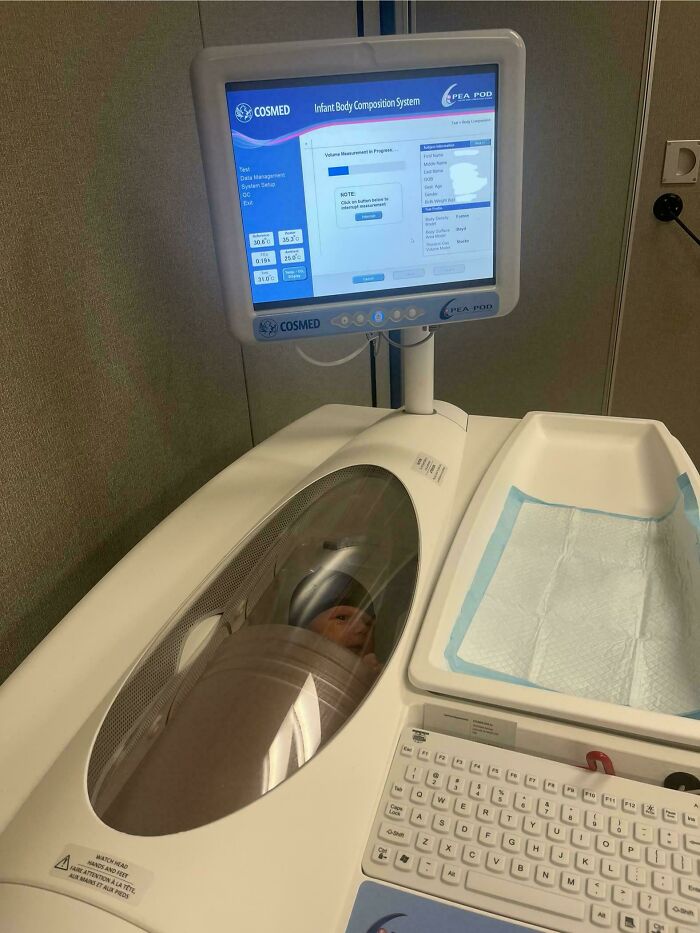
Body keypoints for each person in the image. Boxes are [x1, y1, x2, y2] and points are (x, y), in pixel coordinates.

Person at [288, 570, 381, 673]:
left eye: (368, 624)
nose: (362, 628)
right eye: (342, 617)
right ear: (303, 631)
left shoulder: (381, 677)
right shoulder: (283, 672)